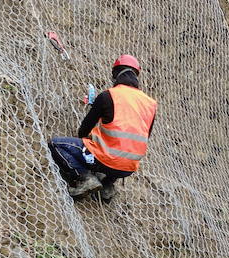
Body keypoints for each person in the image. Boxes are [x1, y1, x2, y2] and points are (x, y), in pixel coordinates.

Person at [48, 55, 157, 203]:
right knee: (117, 158)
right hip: (128, 169)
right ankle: (107, 185)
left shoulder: (108, 96)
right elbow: (142, 135)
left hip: (103, 160)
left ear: (114, 74)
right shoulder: (150, 104)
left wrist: (86, 141)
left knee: (56, 144)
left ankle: (85, 178)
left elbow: (85, 128)